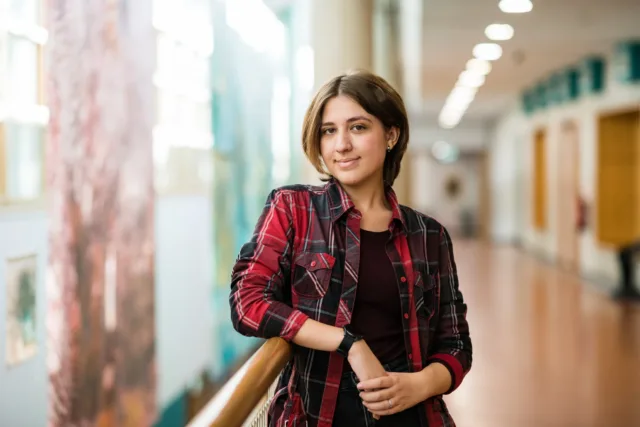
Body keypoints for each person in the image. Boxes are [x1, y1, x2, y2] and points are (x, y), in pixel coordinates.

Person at [229, 70, 472, 427]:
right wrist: (348, 343)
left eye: (357, 127)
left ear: (391, 134)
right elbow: (247, 304)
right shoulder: (292, 208)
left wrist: (419, 385)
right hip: (317, 417)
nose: (341, 144)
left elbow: (456, 345)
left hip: (413, 416)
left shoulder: (429, 234)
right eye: (329, 131)